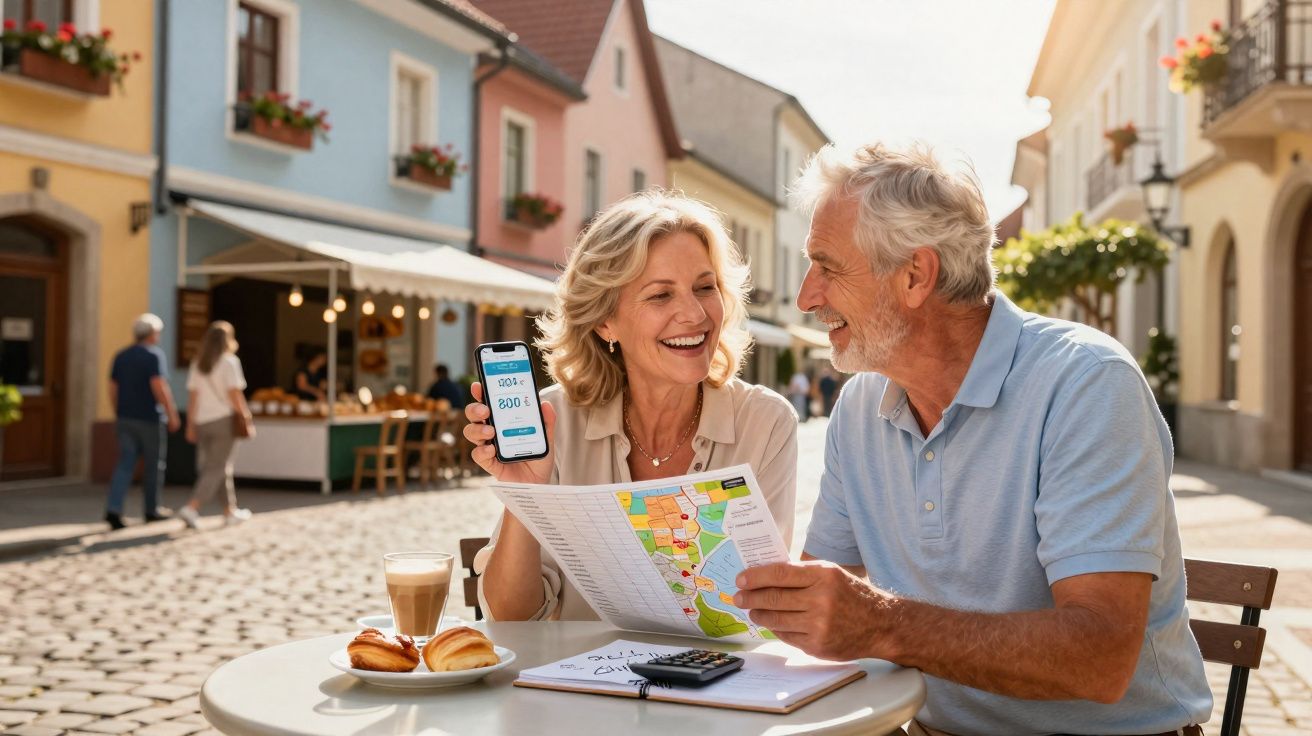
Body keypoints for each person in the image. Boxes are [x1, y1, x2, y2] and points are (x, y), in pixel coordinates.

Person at [733, 143, 1211, 735]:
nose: (807, 295)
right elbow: (833, 601)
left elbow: (1100, 658)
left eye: (827, 266)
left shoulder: (1086, 384)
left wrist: (882, 623)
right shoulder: (859, 405)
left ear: (915, 275)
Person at [465, 190, 798, 622]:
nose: (695, 314)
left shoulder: (765, 423)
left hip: (718, 684)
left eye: (705, 287)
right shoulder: (554, 421)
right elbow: (512, 620)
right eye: (661, 296)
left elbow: (760, 608)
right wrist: (525, 495)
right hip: (574, 688)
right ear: (606, 320)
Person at [106, 314, 180, 530]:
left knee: (125, 464)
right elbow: (159, 387)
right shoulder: (153, 356)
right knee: (153, 465)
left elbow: (112, 388)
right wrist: (172, 413)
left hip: (125, 418)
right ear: (152, 334)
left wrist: (118, 411)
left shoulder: (121, 356)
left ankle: (114, 508)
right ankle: (151, 509)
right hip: (149, 419)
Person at [179, 322, 255, 529]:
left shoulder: (198, 364)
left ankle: (230, 511)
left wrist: (191, 424)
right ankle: (192, 507)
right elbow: (235, 394)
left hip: (203, 421)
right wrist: (245, 415)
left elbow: (193, 397)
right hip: (223, 421)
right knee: (216, 466)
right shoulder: (229, 362)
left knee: (219, 466)